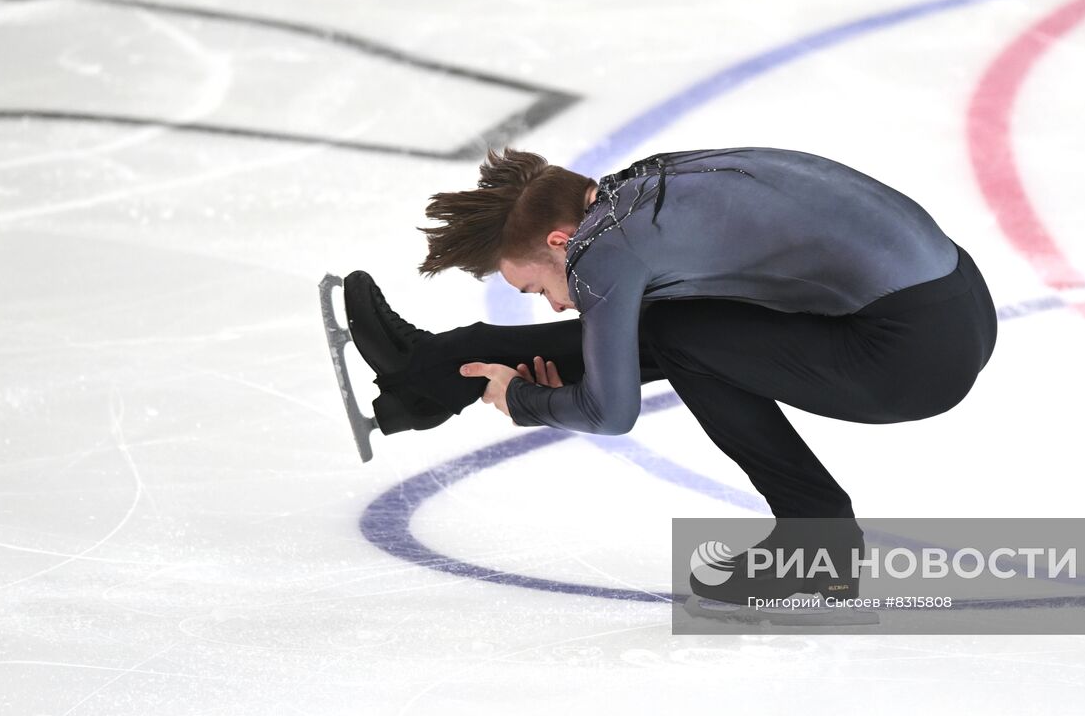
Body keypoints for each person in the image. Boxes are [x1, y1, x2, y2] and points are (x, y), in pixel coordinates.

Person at [342, 145, 997, 607]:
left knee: (676, 333)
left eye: (536, 286)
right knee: (669, 317)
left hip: (909, 355)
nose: (555, 303)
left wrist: (529, 401)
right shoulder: (633, 191)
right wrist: (545, 381)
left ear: (557, 241)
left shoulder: (602, 249)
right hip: (960, 303)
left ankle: (817, 540)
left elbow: (610, 411)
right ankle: (436, 373)